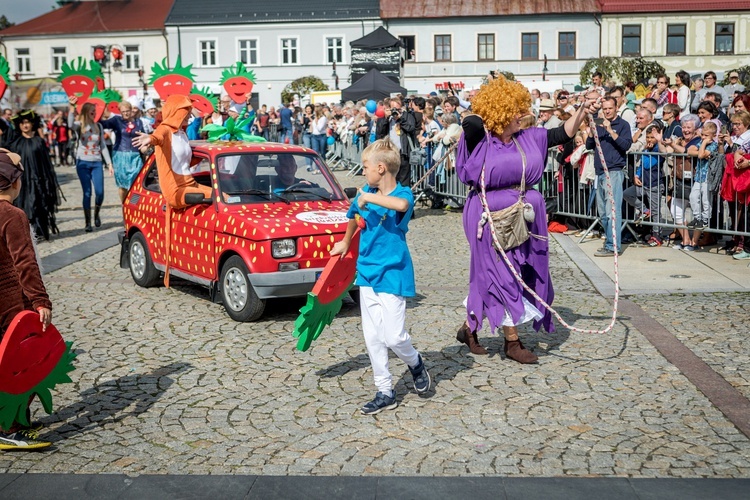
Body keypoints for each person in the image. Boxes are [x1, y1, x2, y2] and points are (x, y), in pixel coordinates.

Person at [455, 76, 599, 362]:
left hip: (526, 214)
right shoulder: (479, 138)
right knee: (503, 274)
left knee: (519, 273)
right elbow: (469, 121)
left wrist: (582, 109)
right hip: (488, 214)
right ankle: (512, 342)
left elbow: (563, 134)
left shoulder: (530, 136)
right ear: (501, 114)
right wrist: (490, 115)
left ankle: (469, 328)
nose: (522, 114)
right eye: (515, 111)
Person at [330, 138, 430, 414]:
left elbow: (398, 206)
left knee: (394, 337)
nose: (363, 171)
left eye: (366, 166)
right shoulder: (364, 194)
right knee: (373, 337)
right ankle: (385, 390)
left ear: (382, 168)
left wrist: (369, 197)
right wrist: (346, 241)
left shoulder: (404, 194)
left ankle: (416, 362)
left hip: (393, 273)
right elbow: (353, 215)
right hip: (367, 273)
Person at [0, 148, 53, 450]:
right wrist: (40, 300)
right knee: (27, 362)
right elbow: (25, 263)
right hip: (12, 301)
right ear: (14, 184)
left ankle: (16, 416)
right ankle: (9, 427)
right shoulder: (13, 215)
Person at [586, 95, 633, 257]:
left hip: (613, 171)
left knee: (612, 211)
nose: (606, 111)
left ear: (616, 108)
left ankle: (613, 246)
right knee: (603, 213)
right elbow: (588, 145)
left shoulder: (623, 125)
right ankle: (608, 242)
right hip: (599, 172)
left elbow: (626, 145)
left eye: (609, 108)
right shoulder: (598, 124)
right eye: (604, 108)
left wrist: (610, 131)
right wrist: (591, 133)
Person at [6, 110, 61, 240]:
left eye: (28, 123)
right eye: (22, 123)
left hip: (37, 179)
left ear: (32, 124)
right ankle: (25, 231)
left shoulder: (39, 141)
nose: (25, 125)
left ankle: (38, 230)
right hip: (22, 180)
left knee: (38, 203)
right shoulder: (15, 142)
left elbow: (46, 164)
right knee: (24, 205)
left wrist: (47, 180)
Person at [68, 99, 112, 232]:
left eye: (95, 111)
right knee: (87, 193)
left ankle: (96, 213)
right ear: (86, 112)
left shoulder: (98, 126)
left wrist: (109, 163)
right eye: (91, 111)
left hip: (97, 162)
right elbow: (70, 124)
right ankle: (88, 222)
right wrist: (71, 107)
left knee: (100, 192)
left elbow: (103, 145)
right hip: (83, 162)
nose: (94, 113)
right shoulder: (79, 125)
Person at [100, 100, 145, 202]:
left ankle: (133, 206)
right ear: (120, 112)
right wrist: (100, 112)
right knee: (123, 185)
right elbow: (102, 124)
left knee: (136, 183)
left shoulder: (138, 122)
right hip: (120, 155)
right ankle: (124, 205)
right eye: (123, 111)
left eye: (127, 111)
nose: (125, 113)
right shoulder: (116, 120)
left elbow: (143, 136)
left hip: (135, 156)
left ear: (131, 110)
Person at [376, 95, 418, 187]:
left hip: (403, 153)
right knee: (390, 178)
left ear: (402, 108)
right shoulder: (385, 119)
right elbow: (380, 134)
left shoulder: (407, 116)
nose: (395, 111)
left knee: (403, 180)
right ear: (389, 108)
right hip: (389, 153)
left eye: (398, 109)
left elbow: (411, 128)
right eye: (393, 109)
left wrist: (400, 119)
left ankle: (403, 199)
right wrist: (386, 119)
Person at [687, 121, 720, 231]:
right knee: (693, 196)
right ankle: (697, 217)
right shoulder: (701, 143)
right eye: (703, 135)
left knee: (706, 199)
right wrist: (702, 146)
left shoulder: (714, 145)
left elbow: (701, 155)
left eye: (706, 135)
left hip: (708, 177)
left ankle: (705, 219)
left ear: (713, 136)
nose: (703, 137)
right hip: (699, 175)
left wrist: (704, 144)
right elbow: (690, 151)